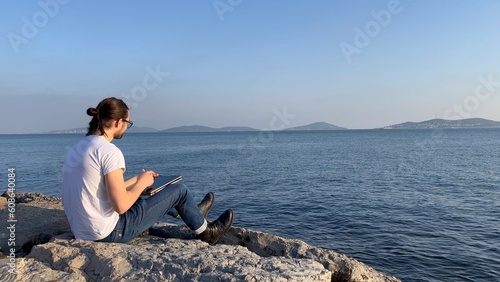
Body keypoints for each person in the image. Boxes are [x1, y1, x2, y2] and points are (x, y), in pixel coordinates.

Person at [61, 97, 234, 245]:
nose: (126, 127)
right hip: (109, 233)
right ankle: (207, 233)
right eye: (127, 123)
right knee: (180, 190)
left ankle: (194, 212)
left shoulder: (76, 149)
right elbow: (120, 206)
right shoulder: (109, 151)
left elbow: (102, 187)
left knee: (153, 190)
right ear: (118, 122)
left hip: (83, 231)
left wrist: (137, 180)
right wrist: (142, 183)